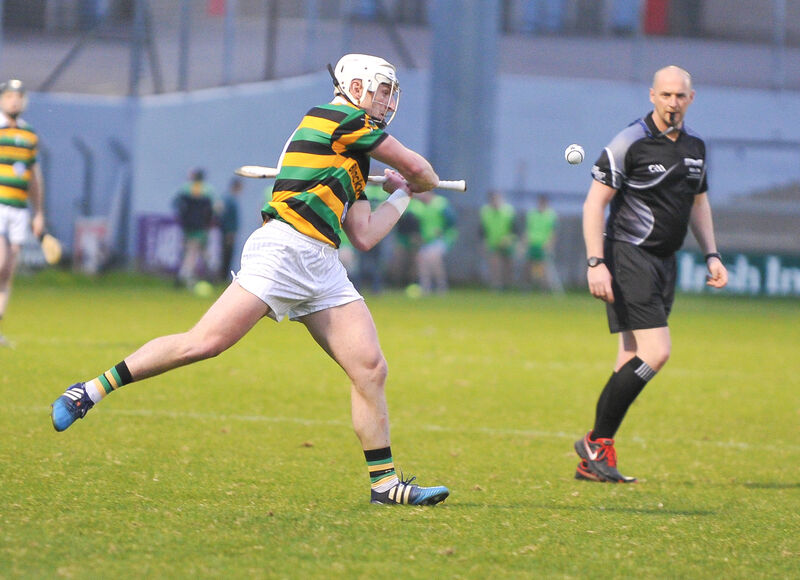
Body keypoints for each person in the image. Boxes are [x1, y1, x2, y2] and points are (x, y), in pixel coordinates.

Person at [51, 54, 449, 506]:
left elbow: (363, 235)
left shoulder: (354, 159)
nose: (387, 100)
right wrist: (421, 178)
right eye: (381, 90)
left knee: (370, 368)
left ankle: (385, 486)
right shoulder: (336, 117)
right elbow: (417, 166)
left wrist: (401, 196)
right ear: (355, 87)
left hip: (322, 263)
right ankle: (89, 390)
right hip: (282, 251)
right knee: (202, 343)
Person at [574, 65, 728, 483]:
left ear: (691, 99)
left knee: (630, 356)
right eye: (665, 95)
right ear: (651, 96)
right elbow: (594, 204)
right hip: (629, 256)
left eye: (680, 96)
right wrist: (595, 262)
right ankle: (595, 441)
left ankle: (594, 457)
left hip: (665, 261)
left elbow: (699, 204)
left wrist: (712, 254)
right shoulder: (630, 142)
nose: (672, 103)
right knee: (656, 352)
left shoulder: (696, 147)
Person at [0, 80, 45, 347]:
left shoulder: (29, 134)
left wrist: (38, 212)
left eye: (18, 96)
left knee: (7, 271)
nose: (14, 101)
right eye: (9, 96)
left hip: (19, 210)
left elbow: (33, 178)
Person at [173, 167, 216, 288]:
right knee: (195, 250)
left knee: (195, 249)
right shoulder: (208, 189)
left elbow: (176, 204)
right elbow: (216, 208)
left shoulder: (185, 188)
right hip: (202, 226)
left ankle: (190, 276)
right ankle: (186, 276)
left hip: (188, 225)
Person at [409, 191, 457, 294]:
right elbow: (414, 222)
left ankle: (441, 287)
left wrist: (442, 230)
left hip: (442, 239)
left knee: (434, 260)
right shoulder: (419, 206)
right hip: (426, 240)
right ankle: (425, 287)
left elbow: (452, 221)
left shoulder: (440, 203)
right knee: (421, 261)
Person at [479, 190, 516, 290]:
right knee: (495, 264)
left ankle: (508, 285)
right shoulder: (486, 212)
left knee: (508, 265)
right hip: (493, 242)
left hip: (507, 242)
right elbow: (482, 230)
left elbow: (515, 229)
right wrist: (484, 242)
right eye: (493, 200)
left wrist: (508, 239)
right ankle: (496, 285)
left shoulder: (508, 211)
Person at [524, 194, 562, 293]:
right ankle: (528, 287)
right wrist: (525, 243)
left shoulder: (551, 215)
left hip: (543, 245)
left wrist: (549, 244)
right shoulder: (532, 214)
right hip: (533, 244)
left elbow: (553, 232)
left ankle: (544, 288)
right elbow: (528, 230)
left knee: (543, 269)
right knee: (530, 267)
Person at [217, 176, 243, 281]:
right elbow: (226, 216)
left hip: (228, 231)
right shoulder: (230, 199)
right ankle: (223, 277)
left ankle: (223, 276)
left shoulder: (227, 198)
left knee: (227, 254)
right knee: (227, 254)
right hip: (228, 232)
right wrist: (229, 231)